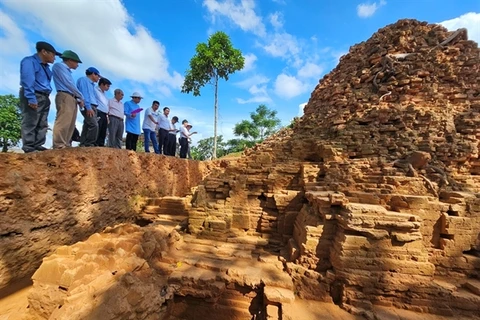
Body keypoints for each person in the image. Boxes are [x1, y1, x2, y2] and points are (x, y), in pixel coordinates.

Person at [19, 41, 61, 153]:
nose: (54, 58)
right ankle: (28, 146)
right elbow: (27, 80)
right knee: (31, 120)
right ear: (44, 52)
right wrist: (30, 97)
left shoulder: (46, 67)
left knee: (42, 122)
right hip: (34, 94)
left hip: (44, 95)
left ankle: (38, 144)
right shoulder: (29, 62)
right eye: (53, 54)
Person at [52, 50, 84, 149]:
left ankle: (66, 143)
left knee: (70, 123)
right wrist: (81, 95)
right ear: (70, 60)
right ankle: (59, 144)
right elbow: (68, 84)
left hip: (72, 97)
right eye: (76, 62)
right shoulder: (59, 67)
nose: (77, 65)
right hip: (65, 95)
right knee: (63, 120)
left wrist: (78, 98)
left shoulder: (67, 71)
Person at [77, 67, 101, 147]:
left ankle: (83, 143)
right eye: (98, 76)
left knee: (87, 124)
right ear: (93, 74)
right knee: (94, 124)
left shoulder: (92, 85)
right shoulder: (84, 80)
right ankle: (89, 143)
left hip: (93, 105)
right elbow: (84, 94)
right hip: (89, 105)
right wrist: (88, 107)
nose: (98, 78)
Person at [95, 77, 112, 146]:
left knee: (103, 129)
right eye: (107, 86)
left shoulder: (104, 94)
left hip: (105, 113)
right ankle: (95, 143)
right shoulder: (95, 90)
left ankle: (101, 143)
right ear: (102, 84)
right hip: (98, 111)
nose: (108, 88)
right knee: (98, 127)